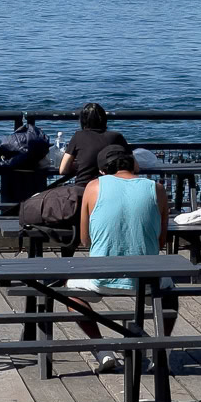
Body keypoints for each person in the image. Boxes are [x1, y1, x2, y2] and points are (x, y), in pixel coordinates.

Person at [66, 145, 175, 373]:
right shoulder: (157, 189)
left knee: (71, 294)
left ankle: (103, 349)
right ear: (134, 165)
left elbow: (85, 240)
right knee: (170, 296)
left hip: (101, 276)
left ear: (103, 170)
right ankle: (160, 349)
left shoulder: (93, 187)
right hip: (146, 279)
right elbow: (161, 242)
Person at [57, 102, 128, 184]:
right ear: (104, 119)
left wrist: (81, 165)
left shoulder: (78, 136)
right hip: (110, 187)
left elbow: (63, 169)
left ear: (83, 120)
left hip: (83, 187)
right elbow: (135, 168)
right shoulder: (116, 136)